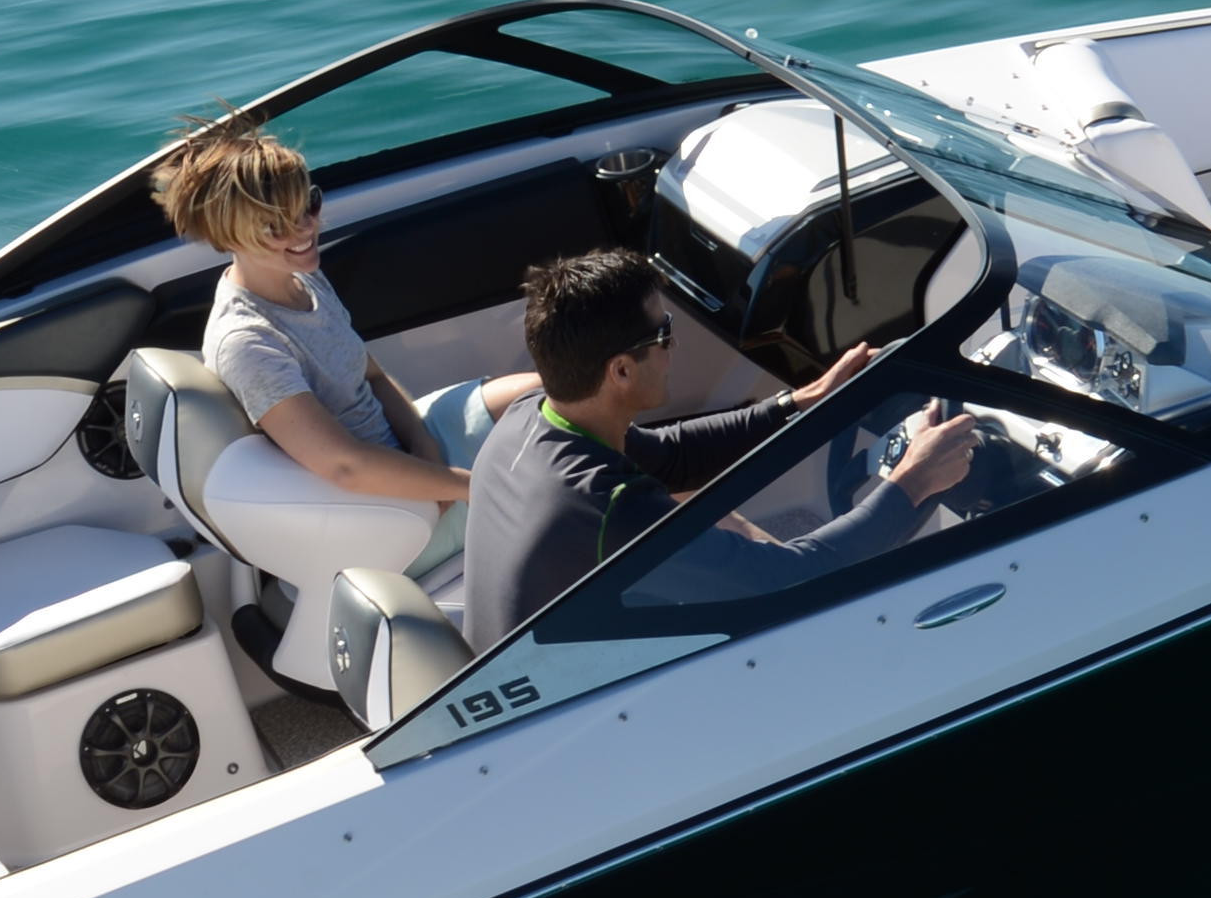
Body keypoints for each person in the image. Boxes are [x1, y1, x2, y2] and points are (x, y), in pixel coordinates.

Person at [465, 247, 979, 648]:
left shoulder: (530, 415)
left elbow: (673, 458)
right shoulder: (610, 508)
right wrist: (913, 481)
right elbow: (792, 579)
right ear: (620, 370)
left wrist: (799, 405)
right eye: (663, 333)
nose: (674, 345)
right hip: (573, 709)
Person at [153, 120, 522, 520]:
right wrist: (468, 486)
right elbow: (344, 466)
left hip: (407, 457)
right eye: (275, 226)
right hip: (384, 509)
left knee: (540, 401)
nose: (305, 228)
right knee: (546, 477)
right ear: (229, 238)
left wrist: (424, 447)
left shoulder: (303, 277)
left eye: (307, 204)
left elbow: (373, 377)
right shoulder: (248, 342)